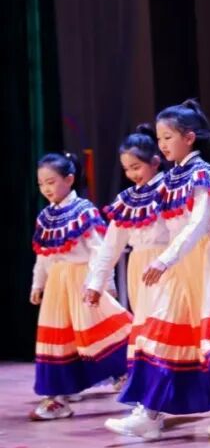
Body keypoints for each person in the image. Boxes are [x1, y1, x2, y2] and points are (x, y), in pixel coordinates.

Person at [108, 100, 210, 441]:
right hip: (178, 261)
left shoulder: (203, 174)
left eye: (168, 137)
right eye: (160, 138)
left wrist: (165, 259)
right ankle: (149, 411)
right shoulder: (172, 177)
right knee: (161, 331)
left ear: (189, 137)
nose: (162, 144)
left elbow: (198, 223)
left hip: (202, 259)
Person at [29, 152, 131, 420]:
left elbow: (101, 250)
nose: (46, 188)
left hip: (82, 281)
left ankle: (128, 371)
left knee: (99, 333)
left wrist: (103, 283)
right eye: (41, 184)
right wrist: (38, 284)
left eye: (51, 182)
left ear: (69, 179)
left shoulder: (83, 211)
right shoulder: (45, 217)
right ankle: (57, 397)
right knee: (57, 340)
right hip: (57, 285)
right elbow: (43, 255)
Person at [85, 125, 168, 375]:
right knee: (145, 324)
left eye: (136, 167)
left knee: (167, 323)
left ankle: (170, 380)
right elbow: (110, 246)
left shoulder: (170, 190)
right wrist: (96, 283)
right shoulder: (127, 200)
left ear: (155, 162)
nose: (131, 174)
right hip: (139, 268)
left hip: (167, 265)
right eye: (127, 169)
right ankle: (150, 380)